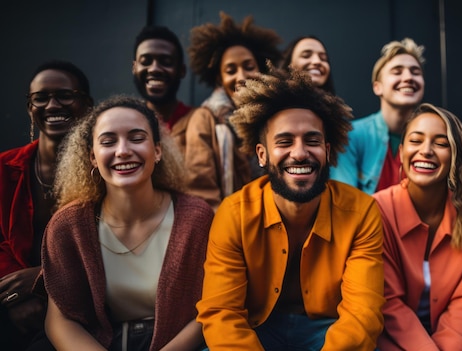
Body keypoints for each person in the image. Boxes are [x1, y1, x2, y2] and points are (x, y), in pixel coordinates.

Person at [196, 68, 385, 350]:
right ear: (262, 154)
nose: (299, 153)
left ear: (328, 151)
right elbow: (222, 314)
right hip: (257, 330)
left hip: (330, 332)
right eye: (284, 142)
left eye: (312, 140)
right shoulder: (233, 214)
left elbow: (362, 315)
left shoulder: (362, 212)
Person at [37, 96, 214, 350]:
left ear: (158, 150)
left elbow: (209, 308)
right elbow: (60, 319)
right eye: (108, 142)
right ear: (93, 158)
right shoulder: (69, 226)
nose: (122, 150)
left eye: (137, 137)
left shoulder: (196, 218)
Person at [374, 103, 462, 350]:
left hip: (454, 331)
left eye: (441, 143)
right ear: (401, 151)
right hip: (392, 334)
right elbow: (389, 302)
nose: (426, 151)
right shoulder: (377, 209)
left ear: (456, 155)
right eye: (416, 141)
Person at [0, 60, 93, 350]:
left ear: (87, 105)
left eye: (65, 95)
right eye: (40, 98)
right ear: (30, 108)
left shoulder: (103, 173)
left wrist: (45, 281)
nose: (52, 105)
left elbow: (111, 250)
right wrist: (12, 300)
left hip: (79, 309)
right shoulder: (4, 168)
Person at [186, 11, 282, 210]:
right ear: (220, 79)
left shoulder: (277, 118)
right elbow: (202, 192)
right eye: (230, 70)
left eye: (249, 66)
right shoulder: (206, 119)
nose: (241, 76)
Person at [331, 38, 426, 194]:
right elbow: (345, 201)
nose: (408, 77)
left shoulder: (432, 140)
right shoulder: (351, 136)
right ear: (377, 87)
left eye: (415, 72)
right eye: (397, 71)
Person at [132, 25, 193, 153]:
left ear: (181, 70)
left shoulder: (199, 121)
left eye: (166, 62)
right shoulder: (127, 124)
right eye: (145, 61)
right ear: (134, 68)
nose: (154, 69)